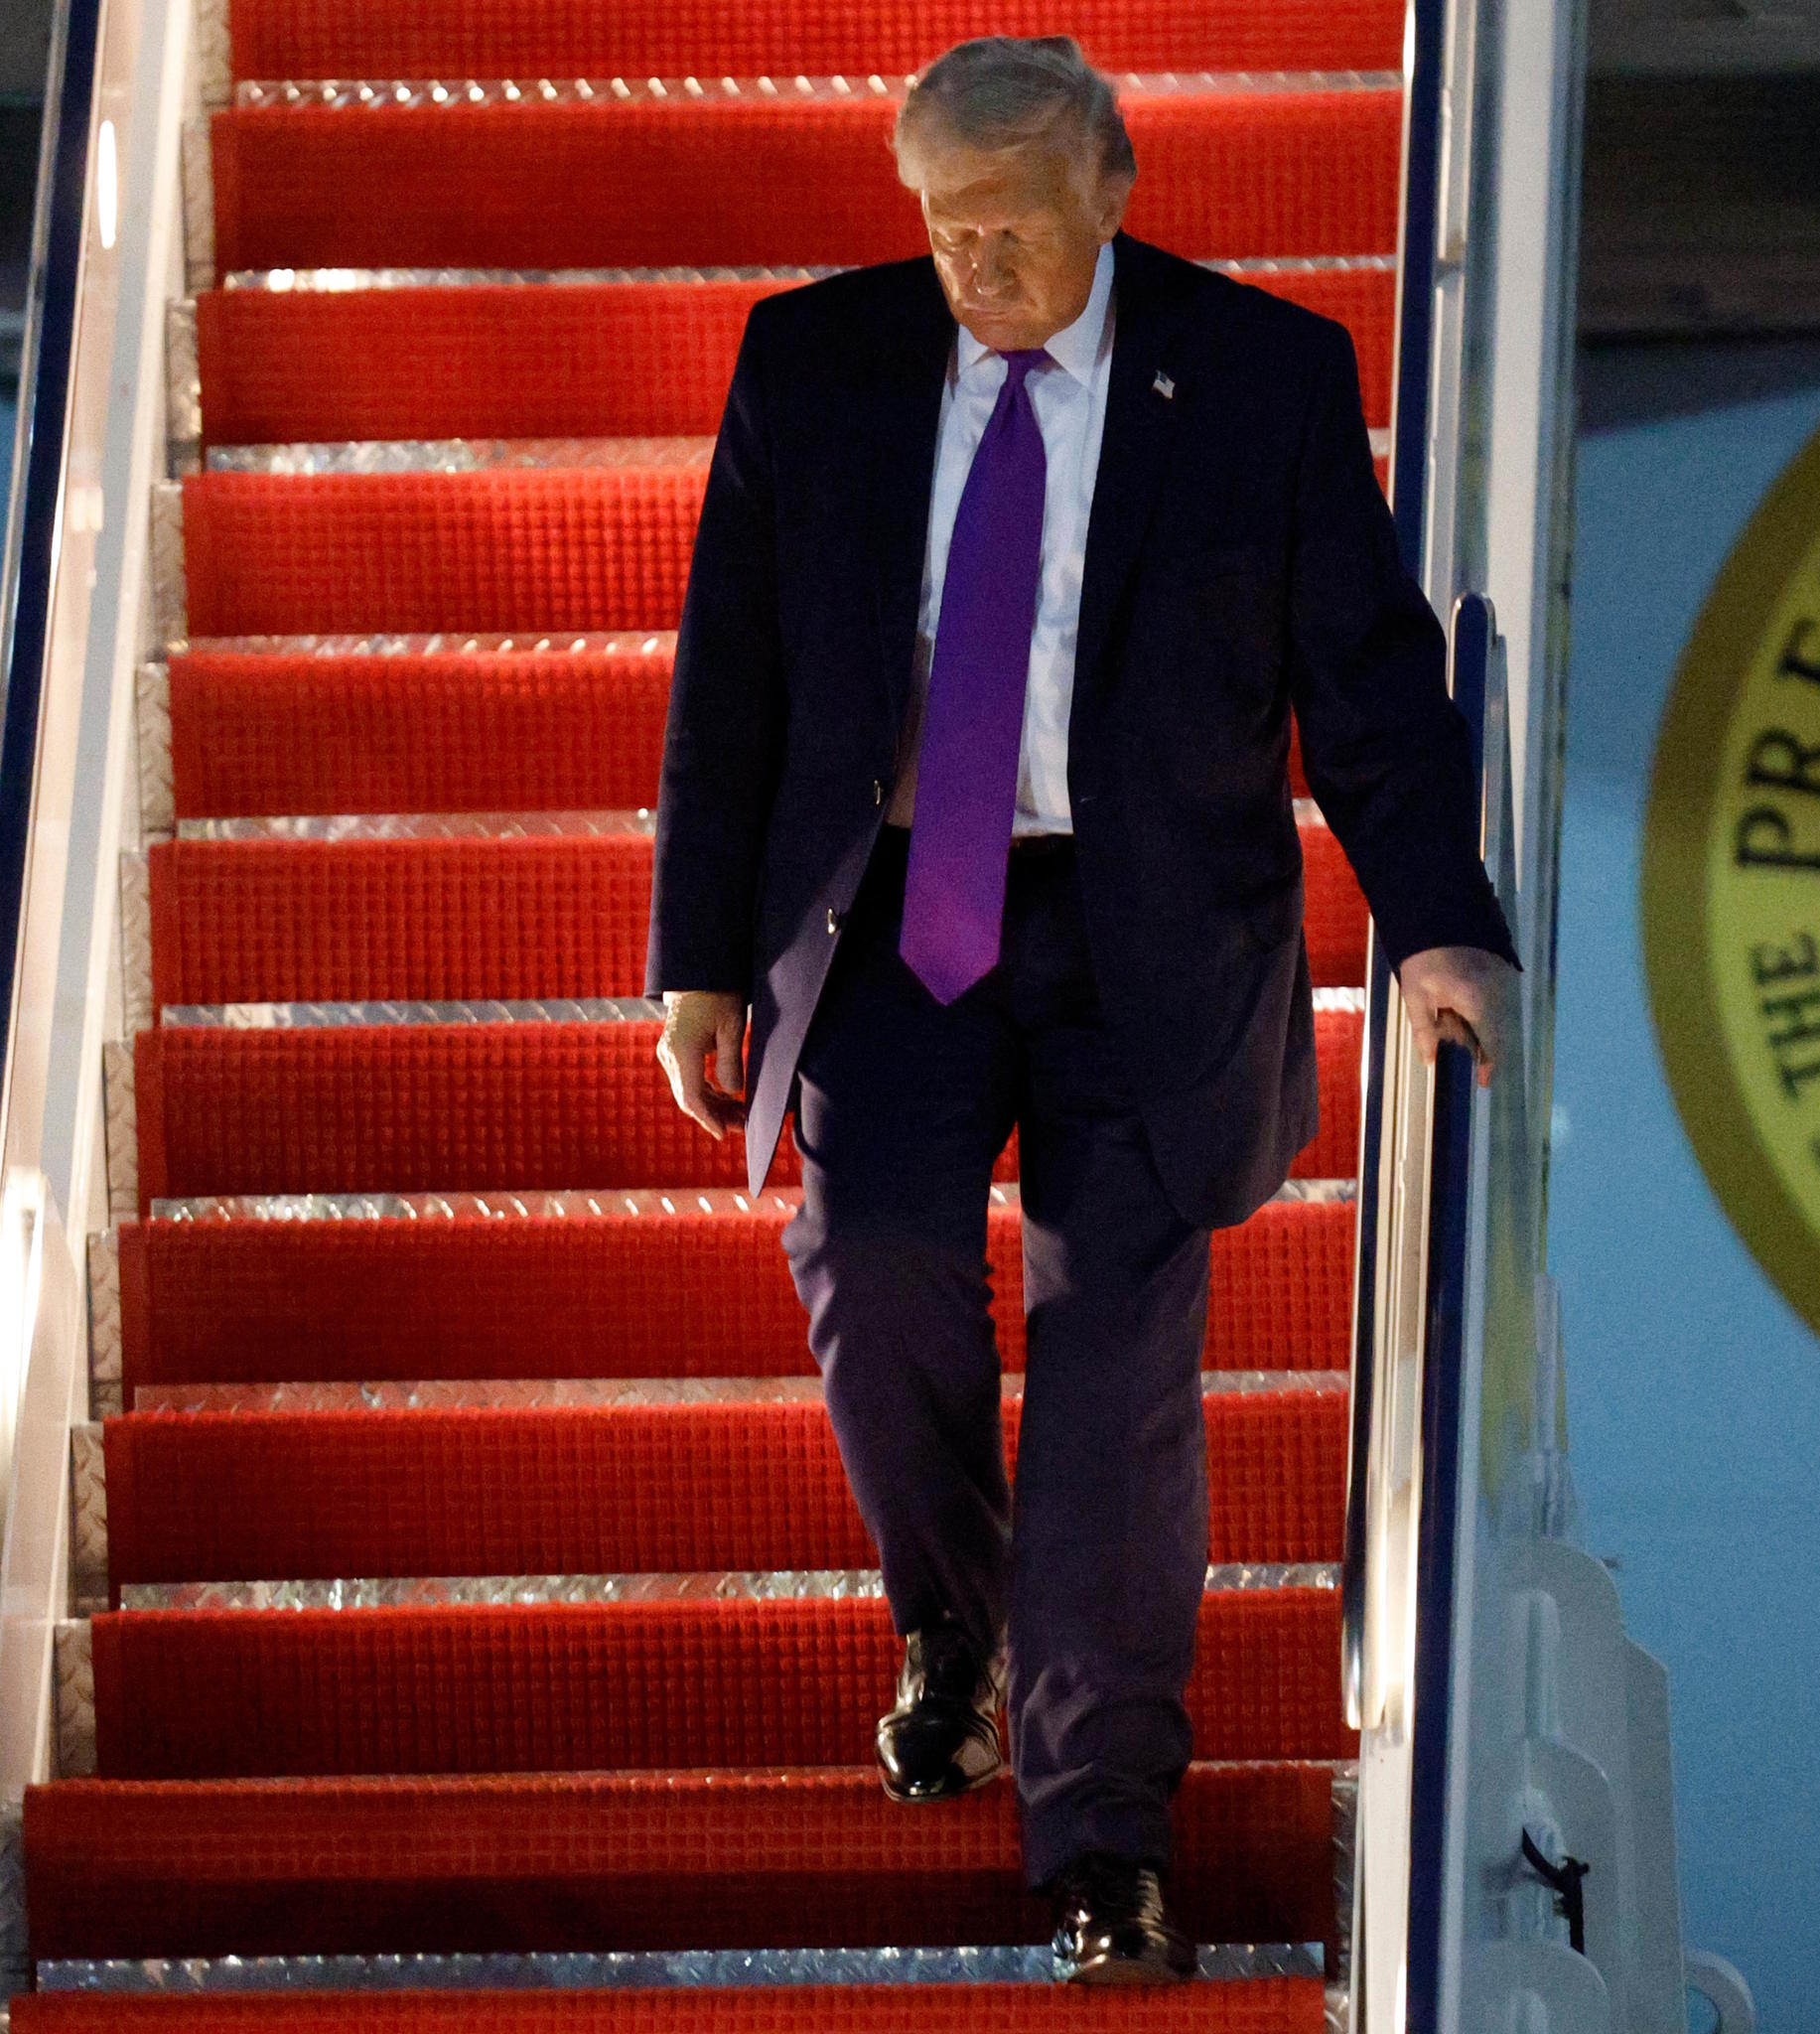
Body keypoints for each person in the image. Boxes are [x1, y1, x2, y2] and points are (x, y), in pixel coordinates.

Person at [642, 34, 1518, 1984]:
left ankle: (1104, 1838)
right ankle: (957, 1626)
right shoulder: (815, 363)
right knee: (872, 1271)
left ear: (1113, 191)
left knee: (1116, 1369)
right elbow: (734, 679)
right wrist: (699, 955)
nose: (979, 270)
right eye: (947, 232)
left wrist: (1438, 923)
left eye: (1013, 231)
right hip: (895, 918)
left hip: (1150, 945)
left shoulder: (1269, 380)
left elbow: (1368, 687)